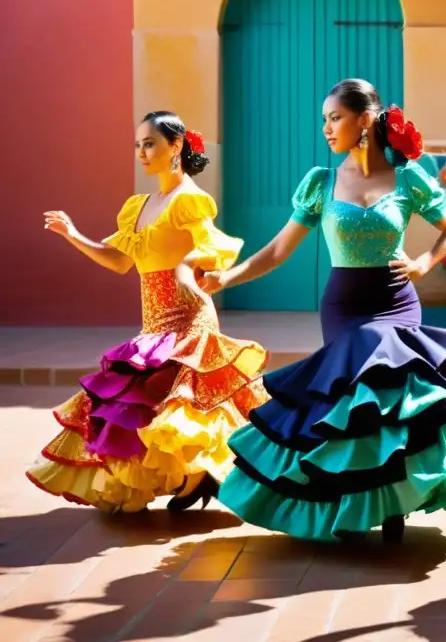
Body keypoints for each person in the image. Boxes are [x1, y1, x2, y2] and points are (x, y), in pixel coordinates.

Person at [200, 79, 446, 543]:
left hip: (396, 302)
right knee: (354, 402)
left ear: (365, 120)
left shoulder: (409, 178)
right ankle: (354, 503)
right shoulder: (322, 182)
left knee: (390, 398)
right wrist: (226, 279)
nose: (326, 128)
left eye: (334, 117)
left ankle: (394, 505)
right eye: (324, 119)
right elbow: (279, 250)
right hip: (344, 307)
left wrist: (423, 262)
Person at [29, 111, 269, 513]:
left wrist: (188, 265)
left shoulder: (189, 198)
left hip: (189, 314)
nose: (142, 152)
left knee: (187, 404)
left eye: (150, 143)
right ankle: (193, 479)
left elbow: (212, 245)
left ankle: (206, 476)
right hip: (154, 322)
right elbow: (119, 260)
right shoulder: (138, 206)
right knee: (142, 400)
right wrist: (72, 235)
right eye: (138, 144)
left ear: (175, 147)